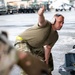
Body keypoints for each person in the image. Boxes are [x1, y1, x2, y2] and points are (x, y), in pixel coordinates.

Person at [15, 6, 64, 75]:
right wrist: (40, 14)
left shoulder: (55, 36)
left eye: (63, 23)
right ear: (53, 21)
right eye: (60, 22)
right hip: (22, 41)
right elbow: (41, 21)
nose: (61, 24)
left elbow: (48, 48)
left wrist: (46, 61)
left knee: (47, 61)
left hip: (35, 46)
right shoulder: (46, 24)